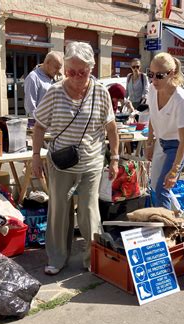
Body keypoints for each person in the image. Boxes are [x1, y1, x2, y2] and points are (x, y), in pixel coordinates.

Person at [32, 41, 119, 275]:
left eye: (83, 72)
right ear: (64, 70)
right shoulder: (54, 92)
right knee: (59, 211)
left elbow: (111, 128)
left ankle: (93, 259)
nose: (77, 77)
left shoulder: (100, 91)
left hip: (91, 162)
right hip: (60, 163)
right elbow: (39, 127)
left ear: (91, 69)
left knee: (89, 212)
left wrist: (115, 159)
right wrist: (35, 157)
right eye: (71, 71)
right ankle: (57, 257)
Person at [145, 52, 184, 216]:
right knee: (154, 186)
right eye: (150, 74)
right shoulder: (152, 89)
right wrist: (150, 143)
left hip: (177, 146)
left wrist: (174, 170)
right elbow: (153, 116)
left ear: (171, 73)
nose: (154, 80)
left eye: (159, 76)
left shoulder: (180, 99)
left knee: (162, 188)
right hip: (161, 142)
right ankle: (179, 216)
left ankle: (165, 228)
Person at [24, 51, 63, 117]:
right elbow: (30, 107)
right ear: (47, 63)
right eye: (56, 68)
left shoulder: (54, 78)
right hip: (41, 123)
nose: (58, 71)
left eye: (59, 68)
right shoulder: (33, 77)